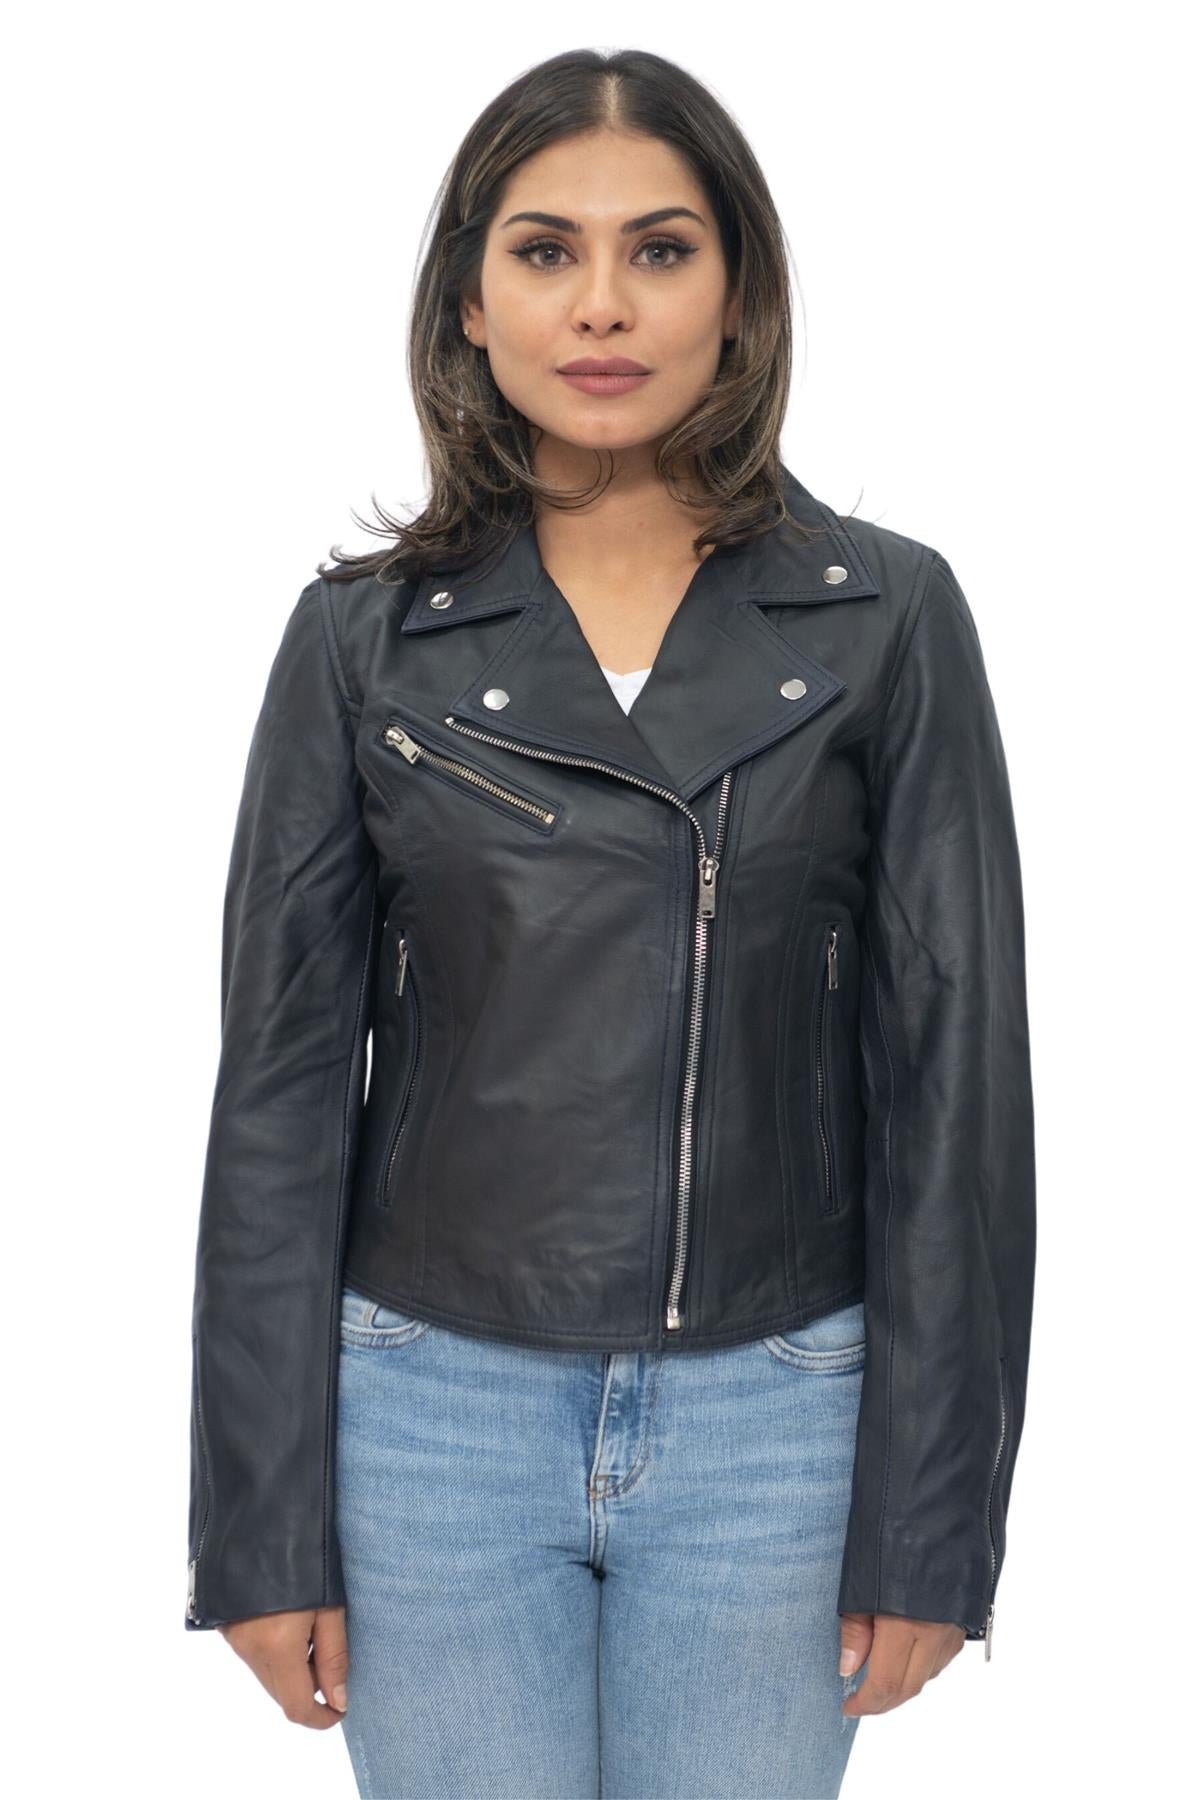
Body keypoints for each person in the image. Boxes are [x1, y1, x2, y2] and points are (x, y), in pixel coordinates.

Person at [184, 45, 1037, 1800]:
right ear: (469, 303)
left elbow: (957, 1089)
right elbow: (275, 1097)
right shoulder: (359, 643)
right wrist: (259, 1528)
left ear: (739, 295)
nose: (601, 305)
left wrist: (933, 1521)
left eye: (659, 249)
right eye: (544, 250)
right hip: (426, 1413)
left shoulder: (888, 618)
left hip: (780, 1415)